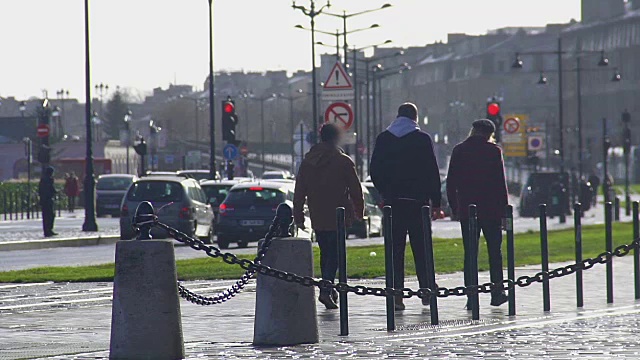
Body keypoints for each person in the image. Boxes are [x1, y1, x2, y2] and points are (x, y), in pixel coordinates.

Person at [370, 102, 442, 311]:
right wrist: (435, 201)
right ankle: (426, 291)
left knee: (394, 251)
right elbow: (431, 171)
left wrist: (384, 192)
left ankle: (396, 295)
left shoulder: (384, 138)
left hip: (393, 203)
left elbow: (375, 169)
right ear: (415, 118)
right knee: (422, 250)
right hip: (418, 203)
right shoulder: (422, 139)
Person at [293, 123, 364, 310]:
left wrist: (298, 214)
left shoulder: (308, 161)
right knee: (337, 254)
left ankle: (328, 287)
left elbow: (299, 190)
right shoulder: (343, 161)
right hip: (339, 214)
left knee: (326, 252)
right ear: (336, 137)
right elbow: (356, 190)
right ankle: (328, 288)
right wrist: (359, 211)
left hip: (318, 212)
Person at [446, 119, 509, 308]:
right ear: (490, 134)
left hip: (468, 209)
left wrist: (454, 207)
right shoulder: (493, 151)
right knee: (494, 252)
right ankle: (497, 291)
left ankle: (471, 296)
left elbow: (451, 182)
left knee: (470, 253)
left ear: (473, 130)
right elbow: (500, 184)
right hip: (491, 209)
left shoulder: (459, 150)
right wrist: (504, 211)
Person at [39, 166, 58, 237]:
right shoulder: (50, 179)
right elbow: (51, 189)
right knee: (51, 215)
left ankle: (46, 230)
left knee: (45, 216)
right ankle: (49, 230)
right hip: (49, 199)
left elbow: (40, 190)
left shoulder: (42, 179)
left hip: (43, 200)